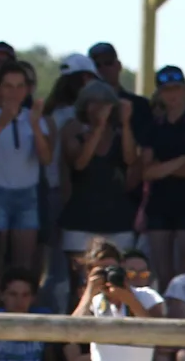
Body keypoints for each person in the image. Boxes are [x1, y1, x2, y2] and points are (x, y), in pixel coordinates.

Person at [56, 81, 142, 292]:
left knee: (118, 281)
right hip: (80, 217)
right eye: (92, 103)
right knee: (79, 282)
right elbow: (79, 162)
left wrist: (126, 122)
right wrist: (98, 128)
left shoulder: (120, 133)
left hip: (117, 217)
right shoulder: (72, 129)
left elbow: (131, 159)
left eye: (104, 103)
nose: (98, 108)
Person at [0, 62, 50, 279]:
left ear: (27, 89)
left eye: (19, 86)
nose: (14, 92)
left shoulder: (35, 119)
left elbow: (46, 158)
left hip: (27, 194)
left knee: (24, 261)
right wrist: (1, 123)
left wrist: (35, 126)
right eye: (8, 86)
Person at [139, 66, 185, 290]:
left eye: (176, 89)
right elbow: (145, 171)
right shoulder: (154, 126)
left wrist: (162, 167)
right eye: (166, 90)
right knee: (162, 273)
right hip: (160, 204)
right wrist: (181, 160)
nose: (172, 95)